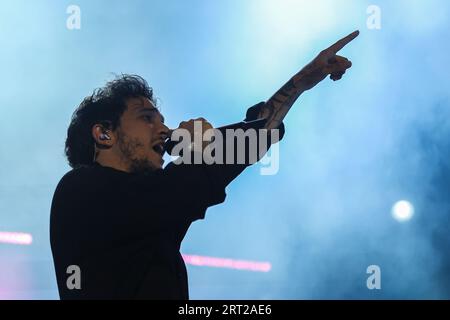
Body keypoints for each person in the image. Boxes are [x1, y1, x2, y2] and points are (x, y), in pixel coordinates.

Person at [50, 31, 358, 299]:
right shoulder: (79, 190)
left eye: (163, 122)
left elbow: (234, 151)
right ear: (104, 134)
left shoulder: (153, 226)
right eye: (146, 118)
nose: (164, 130)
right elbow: (187, 184)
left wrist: (299, 84)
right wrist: (196, 146)